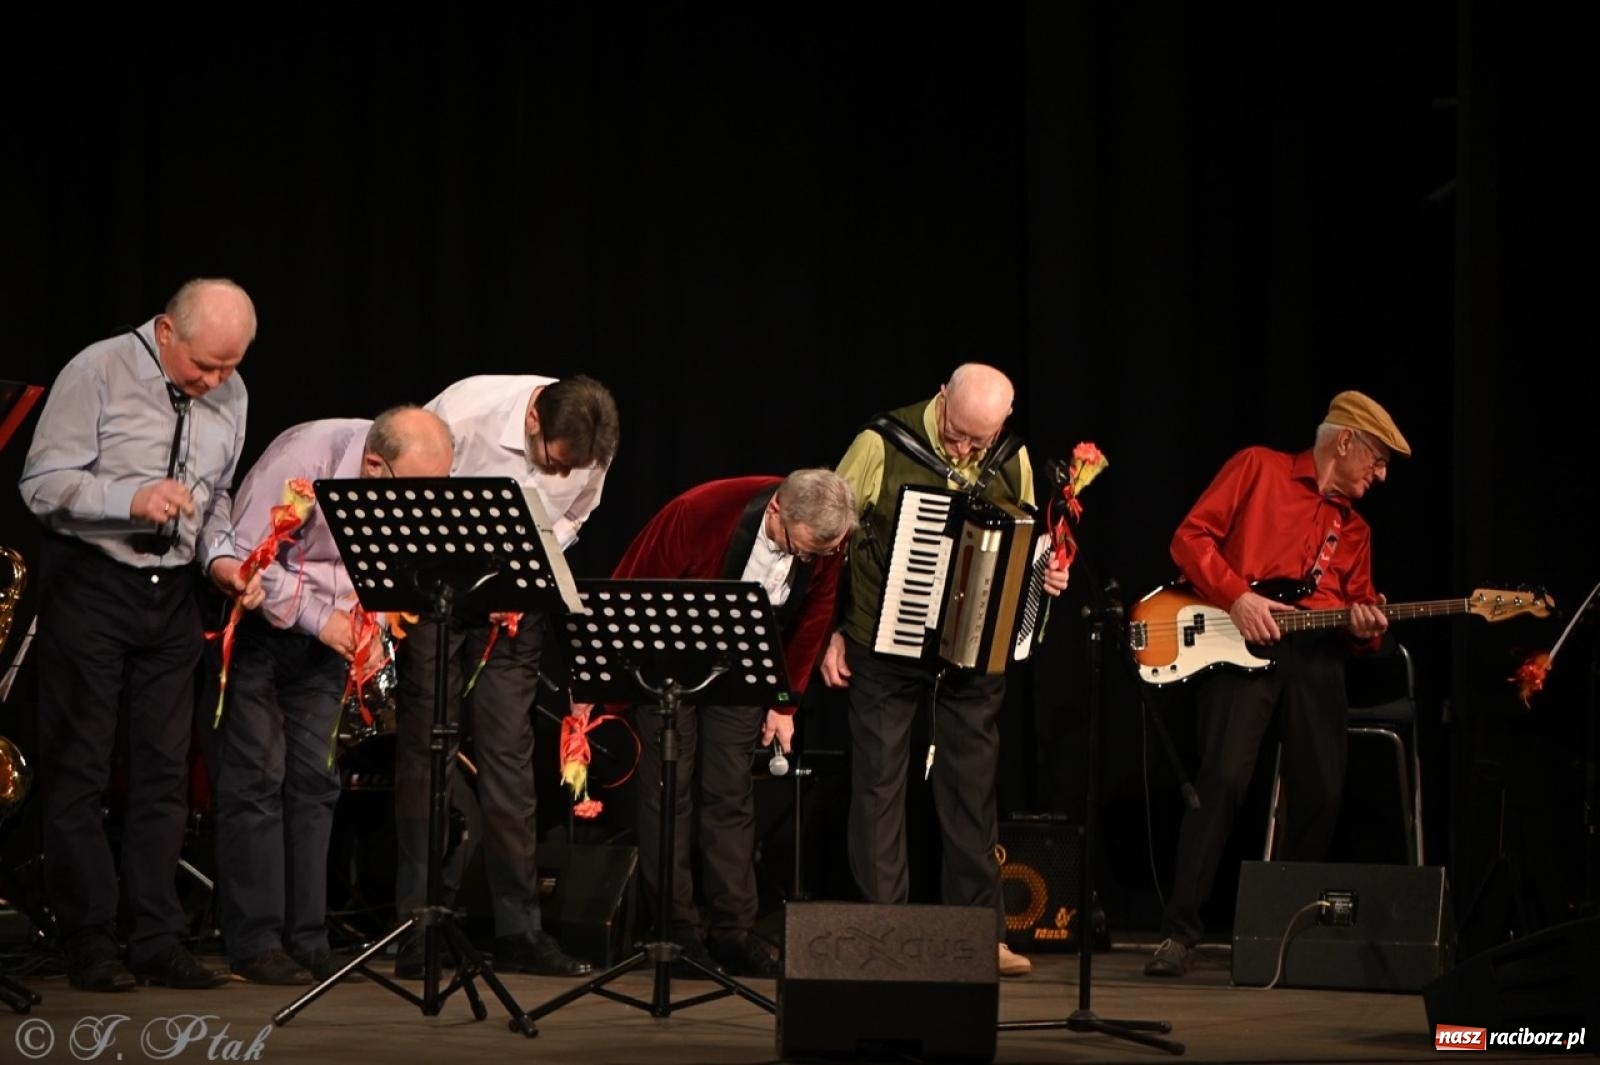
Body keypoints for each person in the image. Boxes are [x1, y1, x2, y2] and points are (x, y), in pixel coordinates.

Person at [19, 278, 261, 991]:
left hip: (173, 596)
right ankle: (88, 934)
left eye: (230, 367)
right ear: (165, 331)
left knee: (163, 771)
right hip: (93, 582)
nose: (218, 381)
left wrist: (219, 558)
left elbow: (214, 500)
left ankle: (155, 934)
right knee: (81, 766)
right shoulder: (97, 370)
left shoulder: (234, 392)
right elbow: (41, 483)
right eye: (205, 367)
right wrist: (128, 499)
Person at [1143, 390, 1407, 978]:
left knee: (1323, 789)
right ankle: (1179, 933)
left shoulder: (1354, 529)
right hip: (1240, 644)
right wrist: (1236, 596)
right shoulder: (1257, 466)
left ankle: (1279, 934)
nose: (1382, 475)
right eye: (1378, 460)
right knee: (1223, 781)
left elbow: (1357, 617)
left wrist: (1367, 628)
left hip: (1314, 655)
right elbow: (1189, 538)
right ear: (1346, 442)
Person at [820, 363, 1070, 979]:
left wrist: (1048, 575)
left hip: (972, 648)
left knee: (971, 787)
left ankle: (978, 934)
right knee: (879, 784)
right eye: (956, 435)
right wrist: (830, 632)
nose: (963, 450)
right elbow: (829, 540)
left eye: (976, 443)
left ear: (1002, 426)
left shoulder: (1014, 456)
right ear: (940, 399)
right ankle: (887, 931)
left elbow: (1028, 541)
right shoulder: (881, 443)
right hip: (884, 637)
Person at [210, 407, 454, 984]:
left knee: (316, 785)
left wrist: (373, 626)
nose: (423, 506)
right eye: (417, 492)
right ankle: (255, 941)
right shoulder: (304, 458)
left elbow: (387, 570)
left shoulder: (405, 479)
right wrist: (322, 621)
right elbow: (246, 564)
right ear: (374, 466)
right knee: (258, 781)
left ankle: (308, 938)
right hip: (263, 631)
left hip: (330, 641)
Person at [392, 373, 619, 978]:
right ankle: (416, 926)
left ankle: (519, 931)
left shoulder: (592, 441)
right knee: (427, 753)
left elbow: (571, 519)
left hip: (514, 609)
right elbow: (411, 496)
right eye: (554, 462)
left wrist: (520, 577)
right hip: (439, 593)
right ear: (535, 420)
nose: (563, 473)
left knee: (509, 762)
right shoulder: (465, 410)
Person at [611, 470, 857, 977]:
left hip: (744, 665)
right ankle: (675, 929)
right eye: (802, 549)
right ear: (776, 513)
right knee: (669, 792)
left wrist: (784, 703)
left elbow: (816, 614)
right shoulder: (700, 512)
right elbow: (630, 587)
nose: (808, 561)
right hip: (667, 661)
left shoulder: (826, 541)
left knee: (730, 793)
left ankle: (733, 930)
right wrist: (601, 693)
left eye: (818, 555)